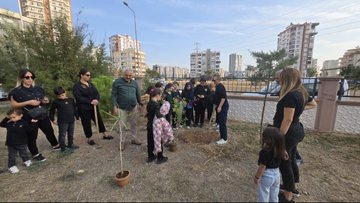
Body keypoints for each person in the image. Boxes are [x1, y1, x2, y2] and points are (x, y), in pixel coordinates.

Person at [273, 68, 317, 201]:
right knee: (291, 159)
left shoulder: (291, 95)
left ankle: (288, 196)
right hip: (296, 130)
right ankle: (292, 188)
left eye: (279, 78)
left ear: (287, 78)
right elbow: (313, 104)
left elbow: (287, 119)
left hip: (288, 132)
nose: (277, 80)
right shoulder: (300, 91)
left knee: (284, 162)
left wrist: (278, 138)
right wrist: (298, 109)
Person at [9, 69, 60, 162]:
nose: (30, 79)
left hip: (42, 114)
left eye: (32, 77)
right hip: (29, 117)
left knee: (49, 130)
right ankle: (35, 154)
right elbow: (13, 105)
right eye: (27, 77)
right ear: (21, 78)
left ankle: (55, 144)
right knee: (32, 136)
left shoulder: (38, 88)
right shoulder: (16, 91)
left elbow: (44, 99)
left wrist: (45, 100)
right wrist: (29, 102)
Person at [73, 68, 113, 146]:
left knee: (98, 120)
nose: (89, 76)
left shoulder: (90, 84)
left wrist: (97, 99)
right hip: (84, 108)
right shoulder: (77, 86)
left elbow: (96, 93)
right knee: (86, 123)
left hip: (94, 106)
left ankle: (105, 134)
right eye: (87, 75)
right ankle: (89, 138)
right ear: (81, 75)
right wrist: (90, 101)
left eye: (90, 75)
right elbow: (79, 97)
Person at [254, 127, 288, 202]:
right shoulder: (280, 150)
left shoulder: (264, 152)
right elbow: (286, 157)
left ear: (268, 140)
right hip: (276, 174)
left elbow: (262, 167)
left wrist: (257, 177)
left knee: (263, 194)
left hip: (266, 175)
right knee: (274, 194)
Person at [111, 68, 143, 146]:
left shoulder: (134, 83)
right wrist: (114, 105)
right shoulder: (117, 82)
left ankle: (134, 138)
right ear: (123, 74)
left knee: (134, 123)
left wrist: (140, 103)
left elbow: (138, 94)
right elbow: (113, 95)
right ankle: (122, 141)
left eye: (130, 75)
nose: (128, 77)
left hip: (133, 106)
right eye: (126, 75)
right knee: (121, 125)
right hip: (121, 107)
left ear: (132, 75)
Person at [0, 108, 33, 173]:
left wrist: (33, 123)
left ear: (21, 115)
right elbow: (1, 124)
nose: (12, 119)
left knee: (23, 153)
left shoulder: (24, 123)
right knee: (12, 156)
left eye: (14, 117)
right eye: (10, 117)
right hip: (11, 143)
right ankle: (11, 166)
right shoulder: (9, 123)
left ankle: (26, 161)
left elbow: (30, 131)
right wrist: (7, 118)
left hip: (22, 143)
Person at [49, 87, 79, 153]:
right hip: (62, 121)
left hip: (71, 120)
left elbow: (75, 108)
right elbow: (52, 111)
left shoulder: (71, 100)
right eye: (59, 96)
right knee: (62, 134)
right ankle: (63, 147)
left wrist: (77, 117)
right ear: (56, 96)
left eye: (63, 95)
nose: (62, 97)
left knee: (71, 133)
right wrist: (52, 119)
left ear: (65, 92)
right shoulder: (55, 102)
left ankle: (70, 144)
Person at [146, 88, 167, 164]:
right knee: (159, 141)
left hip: (149, 125)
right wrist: (163, 114)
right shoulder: (156, 104)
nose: (161, 97)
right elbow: (158, 115)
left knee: (150, 141)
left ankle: (150, 156)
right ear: (157, 95)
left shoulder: (149, 103)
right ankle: (160, 157)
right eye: (160, 95)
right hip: (155, 126)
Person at [213, 73, 229, 144]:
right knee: (220, 122)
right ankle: (222, 136)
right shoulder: (217, 86)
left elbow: (223, 98)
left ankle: (224, 139)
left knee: (222, 122)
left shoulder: (220, 87)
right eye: (213, 80)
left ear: (218, 80)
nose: (213, 81)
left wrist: (219, 106)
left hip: (223, 107)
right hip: (220, 106)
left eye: (214, 80)